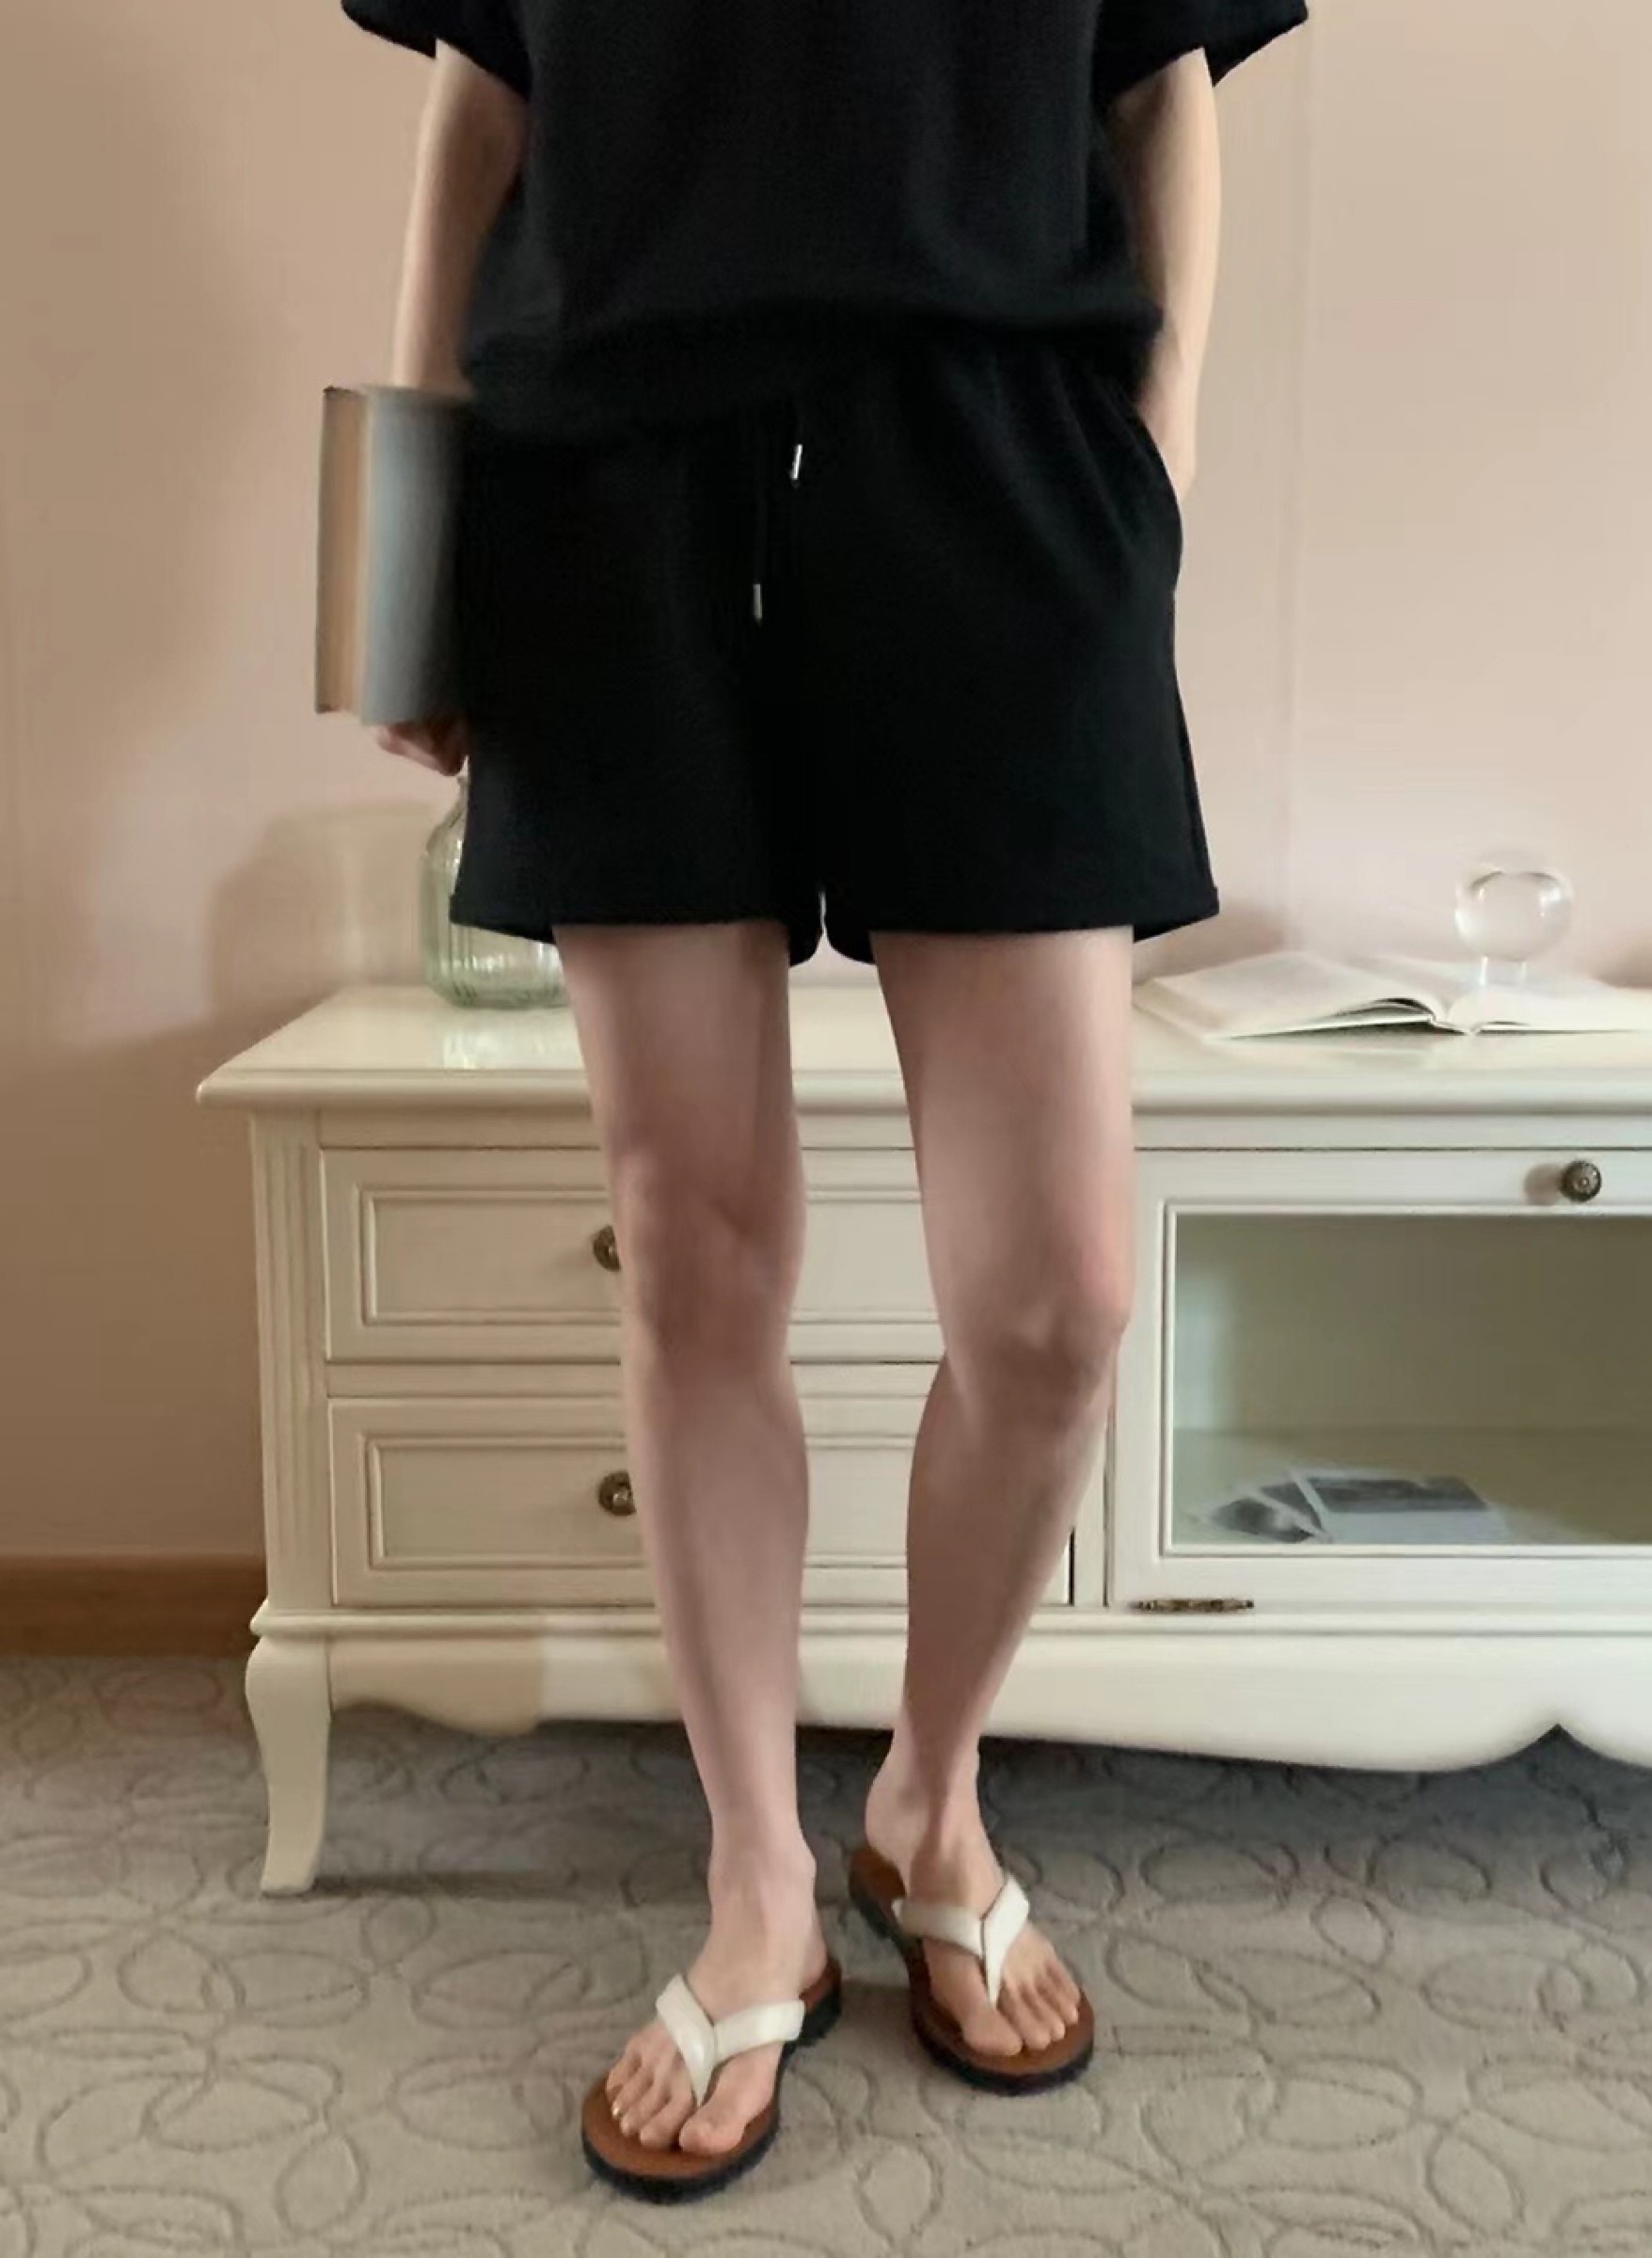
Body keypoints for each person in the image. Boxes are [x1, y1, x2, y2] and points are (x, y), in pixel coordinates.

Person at [341, 0, 1309, 2202]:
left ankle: (928, 1800)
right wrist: (409, 533)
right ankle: (757, 1876)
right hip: (606, 482)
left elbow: (1159, 75)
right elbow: (481, 97)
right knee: (695, 1254)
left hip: (1001, 457)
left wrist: (1154, 462)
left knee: (1057, 1299)